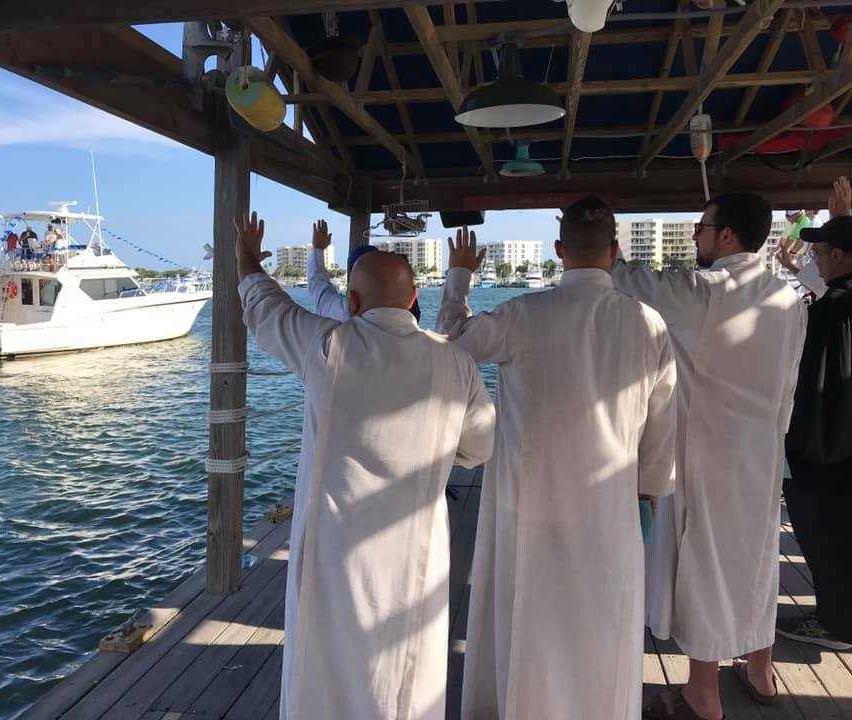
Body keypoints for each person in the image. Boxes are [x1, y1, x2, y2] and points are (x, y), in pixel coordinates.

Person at [234, 210, 496, 720]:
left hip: (333, 552)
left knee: (323, 669)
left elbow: (266, 306)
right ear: (413, 298)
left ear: (351, 304)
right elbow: (480, 447)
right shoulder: (456, 362)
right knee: (407, 676)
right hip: (416, 551)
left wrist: (246, 255)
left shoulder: (328, 347)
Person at [436, 195, 678, 720]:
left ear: (559, 249)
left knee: (531, 612)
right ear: (614, 250)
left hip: (530, 503)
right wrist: (648, 490)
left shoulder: (523, 315)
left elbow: (450, 342)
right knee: (602, 619)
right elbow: (663, 426)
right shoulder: (649, 323)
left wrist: (458, 277)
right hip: (611, 503)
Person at [611, 193, 807, 720]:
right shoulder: (788, 299)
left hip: (708, 453)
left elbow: (628, 281)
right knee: (757, 558)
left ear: (726, 235)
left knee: (707, 564)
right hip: (763, 452)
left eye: (702, 227)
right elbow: (790, 383)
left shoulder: (706, 292)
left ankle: (703, 691)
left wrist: (605, 243)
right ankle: (761, 670)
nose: (697, 235)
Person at [776, 208, 852, 652]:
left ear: (838, 256)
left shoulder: (831, 312)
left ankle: (837, 624)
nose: (815, 260)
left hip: (827, 454)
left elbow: (811, 387)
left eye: (818, 253)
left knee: (829, 539)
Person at [308, 219, 421, 322]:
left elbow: (318, 285)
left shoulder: (339, 312)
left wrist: (318, 248)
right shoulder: (409, 318)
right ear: (412, 297)